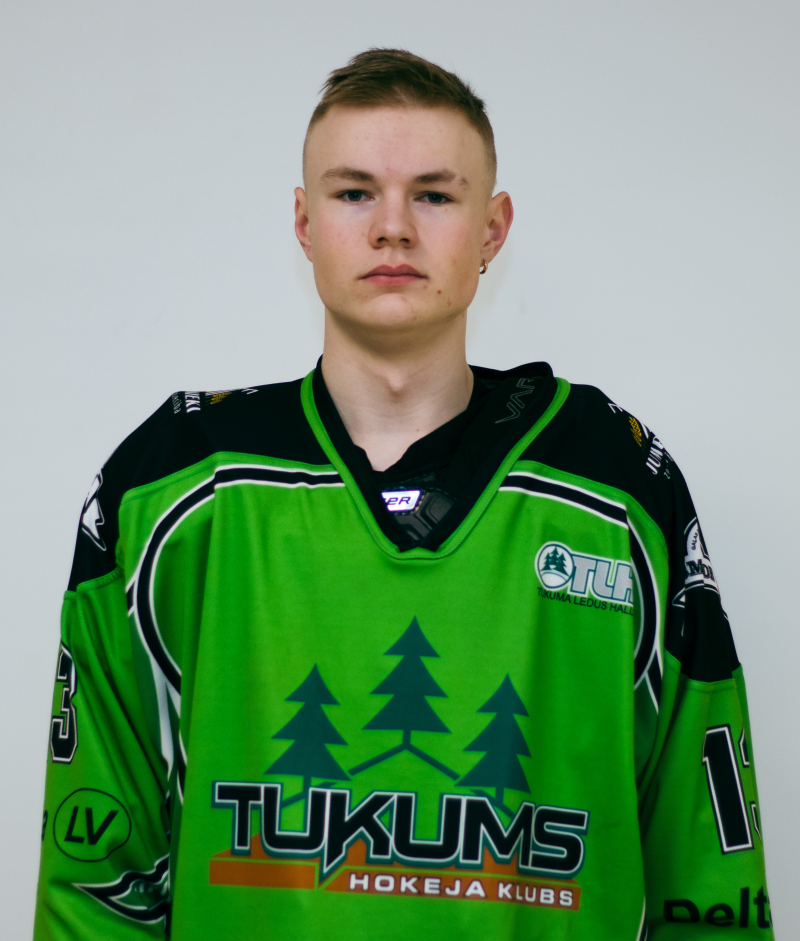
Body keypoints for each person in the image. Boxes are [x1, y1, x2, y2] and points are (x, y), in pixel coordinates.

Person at [35, 49, 773, 940]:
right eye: (354, 193)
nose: (392, 228)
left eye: (433, 195)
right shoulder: (173, 485)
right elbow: (93, 875)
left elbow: (709, 874)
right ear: (304, 222)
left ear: (492, 229)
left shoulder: (617, 486)